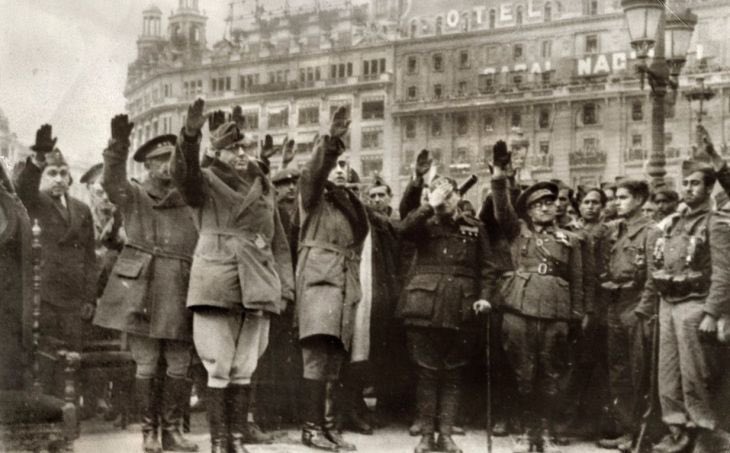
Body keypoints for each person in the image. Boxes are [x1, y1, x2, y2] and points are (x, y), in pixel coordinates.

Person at [170, 99, 294, 453]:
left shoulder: (264, 186)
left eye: (245, 147)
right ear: (218, 153)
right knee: (218, 365)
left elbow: (279, 243)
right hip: (218, 280)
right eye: (232, 148)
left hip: (258, 282)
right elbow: (183, 174)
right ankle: (219, 442)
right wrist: (190, 136)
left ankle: (237, 440)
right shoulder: (204, 182)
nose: (242, 154)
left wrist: (283, 287)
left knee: (244, 367)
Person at [93, 115, 199, 453]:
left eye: (171, 159)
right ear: (147, 166)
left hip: (182, 285)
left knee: (180, 365)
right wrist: (117, 147)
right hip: (145, 288)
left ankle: (172, 430)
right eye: (158, 161)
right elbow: (112, 182)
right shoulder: (135, 194)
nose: (166, 167)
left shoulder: (191, 197)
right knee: (148, 364)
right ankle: (149, 432)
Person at [490, 140, 587, 452]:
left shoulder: (571, 240)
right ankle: (526, 431)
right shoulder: (517, 232)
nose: (545, 207)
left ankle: (543, 431)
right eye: (537, 204)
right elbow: (502, 207)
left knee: (551, 374)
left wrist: (578, 313)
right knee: (523, 373)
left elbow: (579, 278)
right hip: (519, 310)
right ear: (528, 211)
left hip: (556, 313)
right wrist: (499, 177)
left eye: (549, 202)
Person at [398, 175, 496, 453]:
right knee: (426, 373)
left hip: (461, 308)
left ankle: (446, 435)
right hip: (423, 308)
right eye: (437, 193)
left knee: (453, 374)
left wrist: (485, 298)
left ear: (458, 199)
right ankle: (427, 437)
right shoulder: (423, 223)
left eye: (448, 194)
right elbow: (403, 230)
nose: (444, 199)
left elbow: (487, 268)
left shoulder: (475, 228)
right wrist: (430, 205)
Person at [295, 107, 368, 452]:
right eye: (334, 165)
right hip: (319, 283)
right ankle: (311, 429)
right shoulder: (312, 197)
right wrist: (332, 142)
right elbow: (314, 172)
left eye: (343, 165)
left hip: (344, 286)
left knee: (336, 359)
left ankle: (329, 428)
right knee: (316, 357)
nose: (339, 170)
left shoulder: (347, 203)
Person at [646, 156, 730, 453]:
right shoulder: (674, 221)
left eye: (696, 183)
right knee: (667, 374)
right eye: (686, 183)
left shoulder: (716, 222)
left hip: (695, 305)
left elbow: (723, 271)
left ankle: (705, 434)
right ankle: (676, 430)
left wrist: (712, 312)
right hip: (668, 303)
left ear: (708, 188)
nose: (689, 188)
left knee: (695, 374)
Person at [14, 124, 96, 354]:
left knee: (72, 360)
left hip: (74, 300)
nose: (59, 179)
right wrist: (39, 158)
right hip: (44, 297)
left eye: (63, 173)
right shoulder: (34, 202)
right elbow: (23, 189)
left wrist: (90, 298)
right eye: (52, 173)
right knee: (45, 361)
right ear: (42, 176)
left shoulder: (82, 209)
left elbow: (90, 258)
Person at [596, 180, 656, 452]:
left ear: (640, 200)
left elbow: (653, 278)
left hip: (636, 305)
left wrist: (643, 311)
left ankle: (640, 435)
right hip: (615, 304)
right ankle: (626, 430)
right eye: (615, 197)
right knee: (618, 371)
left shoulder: (651, 232)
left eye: (623, 197)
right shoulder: (616, 230)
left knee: (638, 371)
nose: (616, 202)